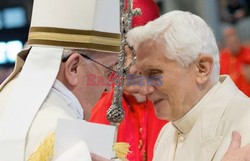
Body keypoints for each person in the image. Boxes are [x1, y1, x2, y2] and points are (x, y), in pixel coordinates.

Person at [0, 0, 120, 160]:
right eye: (107, 72)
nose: (108, 88)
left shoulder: (6, 97)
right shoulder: (71, 142)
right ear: (74, 68)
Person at [126, 10, 250, 161]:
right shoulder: (166, 134)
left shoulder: (246, 122)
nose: (144, 89)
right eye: (141, 75)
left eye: (154, 73)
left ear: (202, 68)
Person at [89, 0, 167, 161]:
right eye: (121, 56)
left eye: (138, 54)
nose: (130, 69)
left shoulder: (178, 108)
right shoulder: (93, 114)